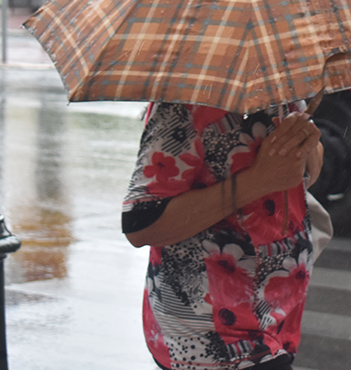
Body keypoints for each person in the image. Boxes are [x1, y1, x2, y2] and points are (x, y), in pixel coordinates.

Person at [123, 101, 324, 370]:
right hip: (215, 338)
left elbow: (295, 180)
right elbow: (141, 223)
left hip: (274, 321)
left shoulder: (282, 90)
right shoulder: (187, 101)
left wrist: (307, 148)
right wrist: (259, 179)